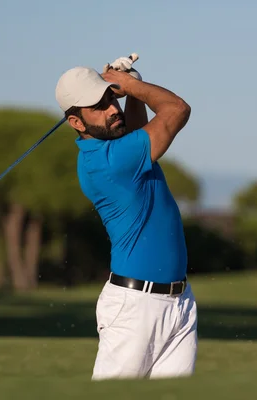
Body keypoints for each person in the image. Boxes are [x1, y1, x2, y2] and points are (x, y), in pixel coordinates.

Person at [54, 55, 197, 381]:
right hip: (134, 308)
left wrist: (130, 85)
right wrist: (131, 85)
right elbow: (177, 110)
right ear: (76, 123)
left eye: (111, 98)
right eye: (99, 107)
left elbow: (134, 127)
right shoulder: (109, 161)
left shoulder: (120, 146)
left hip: (179, 303)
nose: (112, 109)